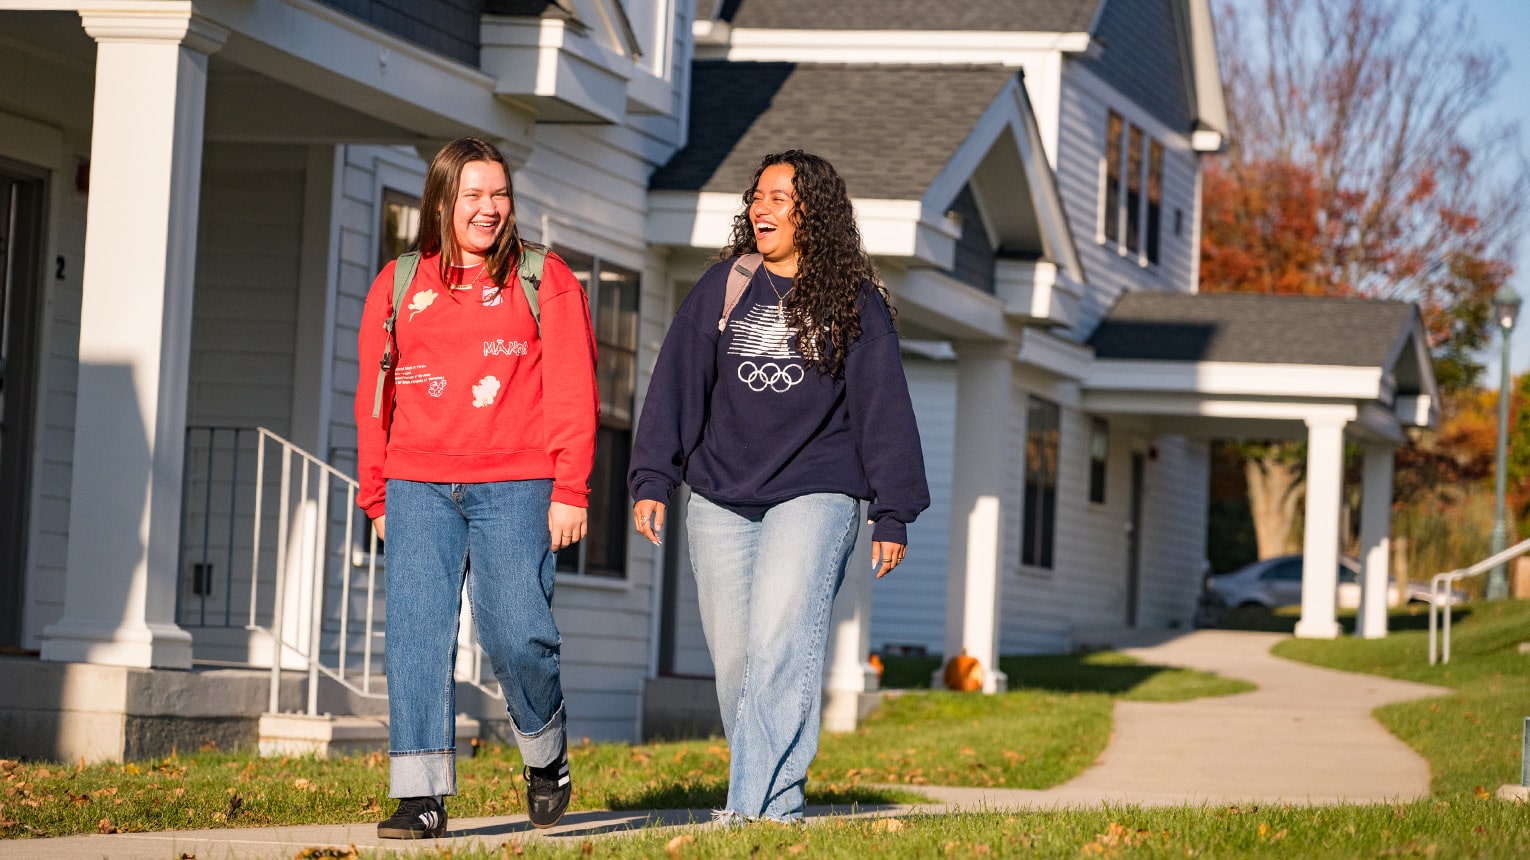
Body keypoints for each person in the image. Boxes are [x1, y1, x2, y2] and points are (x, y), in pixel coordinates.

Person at [628, 150, 930, 824]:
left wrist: (893, 511)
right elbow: (676, 384)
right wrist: (653, 476)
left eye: (779, 197)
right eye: (757, 196)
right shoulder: (725, 286)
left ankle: (748, 812)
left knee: (779, 646)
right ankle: (777, 801)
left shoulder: (854, 301)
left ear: (812, 212)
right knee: (738, 662)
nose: (761, 208)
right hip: (719, 495)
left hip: (815, 489)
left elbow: (884, 408)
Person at [354, 137, 598, 838]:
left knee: (518, 632)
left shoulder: (542, 279)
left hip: (518, 481)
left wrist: (571, 487)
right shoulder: (400, 284)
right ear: (441, 204)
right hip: (418, 483)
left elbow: (575, 390)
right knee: (417, 633)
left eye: (500, 195)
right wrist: (377, 494)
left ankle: (545, 755)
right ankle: (420, 795)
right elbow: (375, 399)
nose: (489, 209)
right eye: (473, 196)